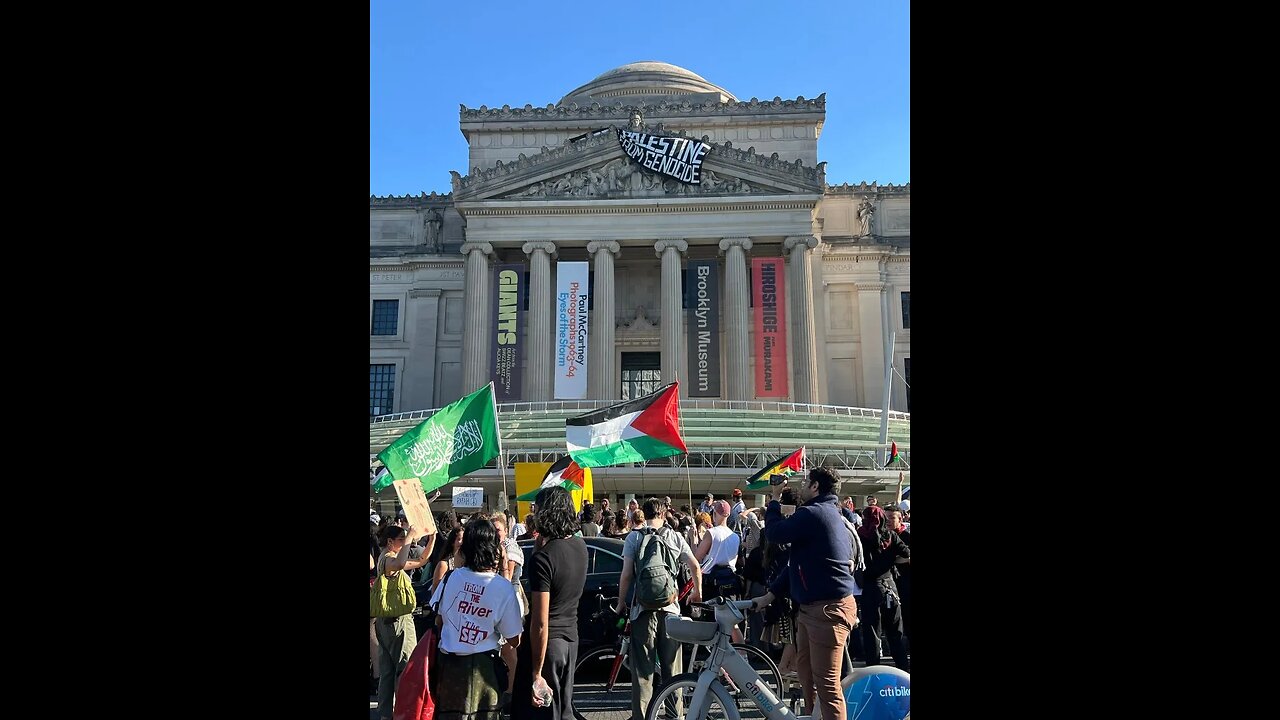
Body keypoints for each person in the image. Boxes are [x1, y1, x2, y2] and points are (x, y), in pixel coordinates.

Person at [757, 467, 859, 720]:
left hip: (827, 610)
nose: (801, 487)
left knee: (827, 685)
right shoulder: (828, 512)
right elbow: (797, 563)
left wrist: (774, 499)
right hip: (814, 608)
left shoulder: (814, 513)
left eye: (805, 482)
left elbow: (774, 533)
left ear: (815, 487)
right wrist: (771, 595)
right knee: (806, 674)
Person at [615, 497, 702, 720]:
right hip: (670, 609)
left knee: (642, 673)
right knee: (672, 671)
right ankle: (675, 716)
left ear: (644, 515)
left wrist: (620, 602)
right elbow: (695, 566)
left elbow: (626, 575)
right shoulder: (674, 536)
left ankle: (642, 716)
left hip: (642, 611)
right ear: (663, 514)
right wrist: (696, 593)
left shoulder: (634, 537)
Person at [429, 516, 523, 720]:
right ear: (494, 549)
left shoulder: (450, 578)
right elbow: (514, 639)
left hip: (449, 669)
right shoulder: (502, 587)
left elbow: (438, 620)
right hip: (485, 670)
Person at [524, 486, 587, 718]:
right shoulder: (580, 546)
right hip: (571, 637)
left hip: (549, 644)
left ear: (545, 512)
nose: (534, 513)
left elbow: (540, 622)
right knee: (563, 709)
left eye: (536, 508)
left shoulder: (543, 558)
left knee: (546, 711)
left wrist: (536, 672)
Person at [375, 524, 437, 720]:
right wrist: (410, 536)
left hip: (387, 621)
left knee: (387, 670)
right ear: (390, 542)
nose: (405, 543)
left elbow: (420, 561)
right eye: (400, 540)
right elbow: (401, 564)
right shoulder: (388, 560)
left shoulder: (390, 558)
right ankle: (402, 711)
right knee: (404, 666)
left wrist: (432, 540)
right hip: (397, 621)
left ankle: (386, 713)